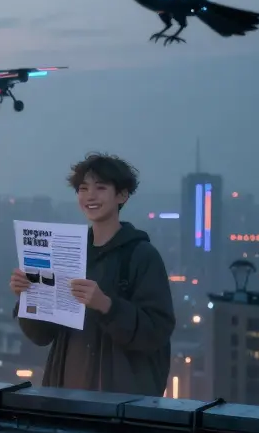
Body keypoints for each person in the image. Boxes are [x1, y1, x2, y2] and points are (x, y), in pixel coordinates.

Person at [10, 153, 176, 396]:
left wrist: (107, 306)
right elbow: (42, 335)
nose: (90, 196)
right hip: (66, 394)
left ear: (122, 195)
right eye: (83, 188)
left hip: (120, 404)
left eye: (100, 187)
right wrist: (29, 295)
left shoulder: (141, 255)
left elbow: (157, 330)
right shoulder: (67, 252)